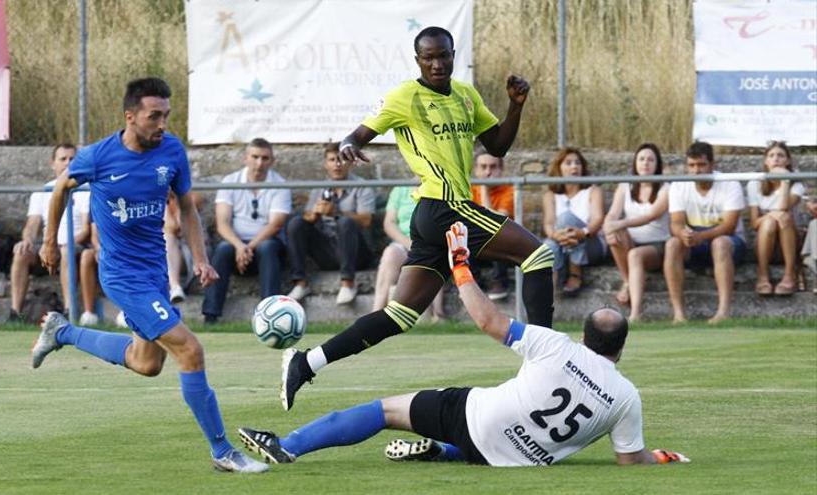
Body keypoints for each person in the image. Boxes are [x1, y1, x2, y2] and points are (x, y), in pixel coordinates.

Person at [238, 222, 689, 468]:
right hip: (516, 461)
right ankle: (440, 451)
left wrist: (460, 265)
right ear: (621, 349)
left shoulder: (556, 346)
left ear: (585, 337)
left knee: (382, 412)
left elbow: (488, 319)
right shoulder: (627, 396)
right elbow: (631, 460)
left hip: (477, 420)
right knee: (484, 429)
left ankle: (289, 444)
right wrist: (663, 457)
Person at [280, 26, 554, 412]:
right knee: (537, 255)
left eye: (444, 55)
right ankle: (549, 361)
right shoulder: (405, 97)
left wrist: (516, 106)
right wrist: (347, 146)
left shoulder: (464, 94)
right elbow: (357, 134)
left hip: (440, 215)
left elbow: (497, 146)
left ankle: (306, 363)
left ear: (453, 54)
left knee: (399, 315)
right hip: (444, 207)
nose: (437, 63)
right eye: (429, 57)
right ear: (418, 60)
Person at [32, 77, 267, 473]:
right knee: (190, 350)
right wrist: (49, 243)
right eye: (154, 116)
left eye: (166, 115)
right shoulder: (99, 156)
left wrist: (200, 257)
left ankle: (63, 332)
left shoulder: (172, 151)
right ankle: (222, 451)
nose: (162, 124)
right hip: (121, 276)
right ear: (130, 117)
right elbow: (60, 190)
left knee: (147, 363)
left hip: (155, 271)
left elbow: (188, 208)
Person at [202, 137, 290, 323]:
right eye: (255, 157)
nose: (259, 163)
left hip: (265, 246)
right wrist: (239, 246)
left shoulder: (280, 183)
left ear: (272, 161)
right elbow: (222, 222)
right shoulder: (230, 181)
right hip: (236, 245)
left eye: (265, 158)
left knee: (267, 248)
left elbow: (275, 224)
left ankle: (269, 315)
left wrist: (248, 247)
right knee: (223, 249)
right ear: (246, 158)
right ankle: (210, 314)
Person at [664, 141, 746, 324]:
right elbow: (675, 223)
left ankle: (723, 312)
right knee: (672, 244)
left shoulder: (730, 183)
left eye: (701, 165)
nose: (696, 170)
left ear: (712, 164)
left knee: (721, 243)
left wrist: (700, 236)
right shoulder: (679, 185)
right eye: (691, 165)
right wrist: (682, 234)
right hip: (694, 240)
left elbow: (729, 226)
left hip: (730, 241)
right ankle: (678, 314)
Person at [9, 144, 91, 323]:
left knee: (65, 250)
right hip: (48, 245)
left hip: (74, 245)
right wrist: (27, 240)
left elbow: (86, 229)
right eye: (63, 159)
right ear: (52, 163)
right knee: (21, 253)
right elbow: (32, 225)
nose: (68, 163)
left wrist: (62, 243)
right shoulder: (43, 190)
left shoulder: (86, 189)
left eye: (72, 159)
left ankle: (70, 311)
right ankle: (15, 313)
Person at [286, 142, 374, 305]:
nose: (337, 164)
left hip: (357, 253)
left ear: (350, 162)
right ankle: (300, 283)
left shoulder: (362, 186)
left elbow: (366, 221)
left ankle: (348, 284)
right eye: (332, 160)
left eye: (341, 159)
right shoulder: (319, 188)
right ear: (326, 164)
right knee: (296, 223)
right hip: (328, 251)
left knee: (345, 222)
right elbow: (307, 217)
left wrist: (337, 213)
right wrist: (314, 215)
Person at [603, 144, 670, 321]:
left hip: (657, 244)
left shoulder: (665, 188)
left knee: (635, 255)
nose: (645, 163)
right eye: (641, 159)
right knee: (613, 236)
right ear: (635, 163)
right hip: (631, 241)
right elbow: (612, 213)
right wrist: (609, 224)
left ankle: (635, 313)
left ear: (657, 164)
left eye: (650, 159)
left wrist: (620, 224)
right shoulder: (626, 186)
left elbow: (651, 216)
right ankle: (627, 281)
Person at [372, 184, 445, 321]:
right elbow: (389, 223)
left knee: (434, 254)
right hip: (404, 243)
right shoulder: (400, 190)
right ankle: (376, 314)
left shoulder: (440, 186)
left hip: (430, 242)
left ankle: (438, 315)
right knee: (390, 253)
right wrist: (409, 244)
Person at [541, 148, 607, 296]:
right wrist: (556, 236)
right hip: (560, 245)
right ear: (559, 168)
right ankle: (547, 298)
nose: (574, 167)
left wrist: (581, 233)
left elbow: (597, 219)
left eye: (577, 163)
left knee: (566, 218)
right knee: (549, 246)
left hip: (591, 243)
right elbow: (548, 223)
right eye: (568, 163)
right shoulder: (550, 195)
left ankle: (574, 270)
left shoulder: (593, 191)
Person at [745, 141, 804, 296]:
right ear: (766, 162)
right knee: (770, 221)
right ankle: (763, 276)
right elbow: (754, 223)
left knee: (783, 218)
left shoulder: (797, 184)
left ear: (788, 161)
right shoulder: (754, 184)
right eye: (771, 156)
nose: (776, 159)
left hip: (790, 241)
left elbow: (784, 207)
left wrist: (785, 181)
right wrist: (771, 215)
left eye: (780, 156)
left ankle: (789, 275)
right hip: (765, 241)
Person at [470, 149, 514, 300]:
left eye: (493, 167)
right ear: (476, 170)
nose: (488, 172)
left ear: (501, 170)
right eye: (483, 167)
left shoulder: (509, 190)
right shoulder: (467, 190)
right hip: (475, 244)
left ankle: (498, 281)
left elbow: (494, 223)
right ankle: (472, 284)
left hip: (499, 245)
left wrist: (483, 188)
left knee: (497, 235)